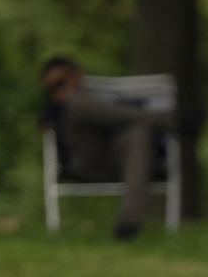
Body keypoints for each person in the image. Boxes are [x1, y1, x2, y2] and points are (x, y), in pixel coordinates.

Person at [41, 56, 171, 240]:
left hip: (124, 157)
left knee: (138, 133)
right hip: (84, 159)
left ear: (78, 76)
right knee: (77, 101)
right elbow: (48, 126)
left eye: (62, 83)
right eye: (52, 88)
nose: (58, 91)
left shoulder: (103, 98)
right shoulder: (56, 108)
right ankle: (165, 120)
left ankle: (128, 224)